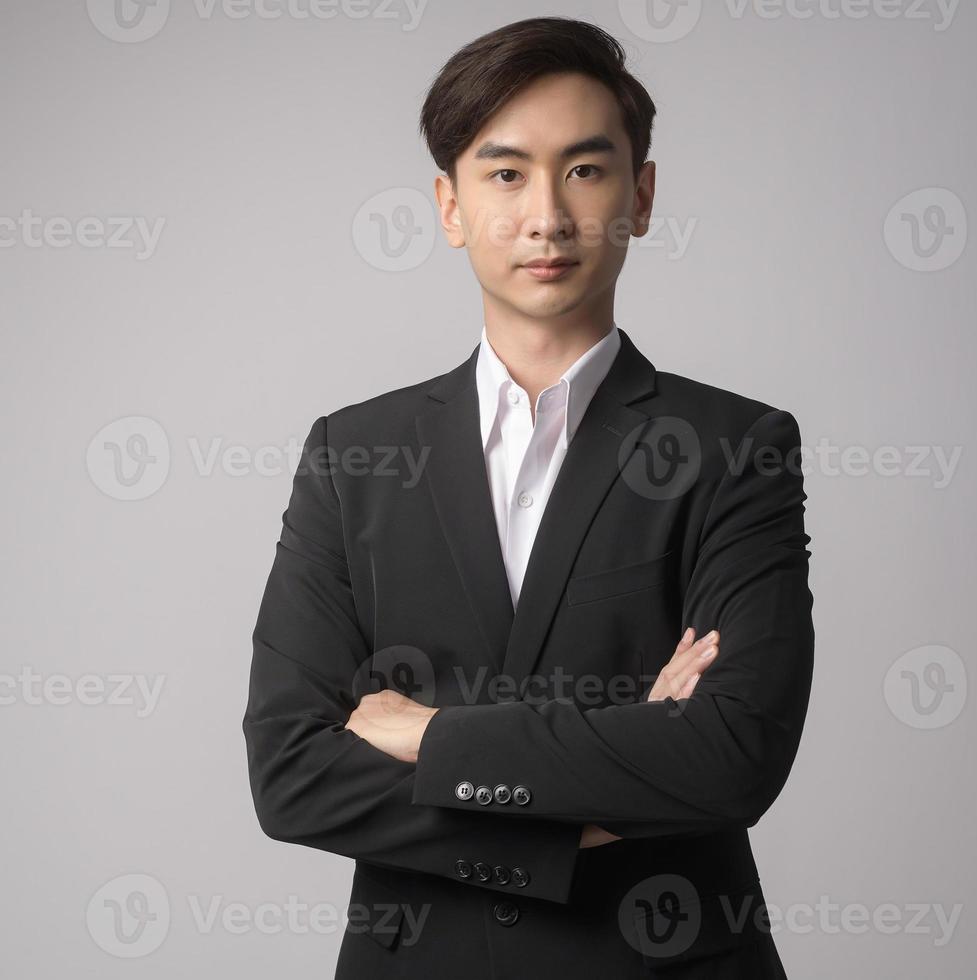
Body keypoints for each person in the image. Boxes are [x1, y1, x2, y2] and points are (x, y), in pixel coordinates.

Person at [242, 16, 813, 978]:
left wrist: (429, 737)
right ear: (449, 205)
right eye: (505, 174)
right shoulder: (356, 453)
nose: (546, 215)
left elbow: (728, 756)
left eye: (584, 171)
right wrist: (580, 815)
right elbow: (291, 774)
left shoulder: (735, 449)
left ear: (640, 194)